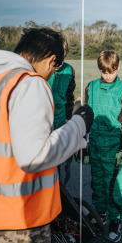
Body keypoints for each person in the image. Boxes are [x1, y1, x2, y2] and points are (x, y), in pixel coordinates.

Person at [0, 27, 94, 243]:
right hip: (19, 223)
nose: (52, 74)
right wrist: (79, 124)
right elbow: (35, 155)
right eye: (54, 68)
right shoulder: (28, 82)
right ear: (51, 61)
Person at [79, 50, 122, 243]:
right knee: (97, 182)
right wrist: (84, 143)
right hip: (95, 143)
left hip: (114, 147)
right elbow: (85, 115)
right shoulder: (91, 87)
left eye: (111, 72)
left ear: (118, 67)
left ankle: (115, 220)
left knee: (114, 186)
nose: (107, 75)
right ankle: (100, 214)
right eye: (104, 72)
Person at [47, 36, 76, 184]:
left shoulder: (70, 70)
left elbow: (70, 97)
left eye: (63, 54)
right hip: (44, 122)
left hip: (60, 121)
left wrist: (69, 119)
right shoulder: (44, 68)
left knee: (58, 162)